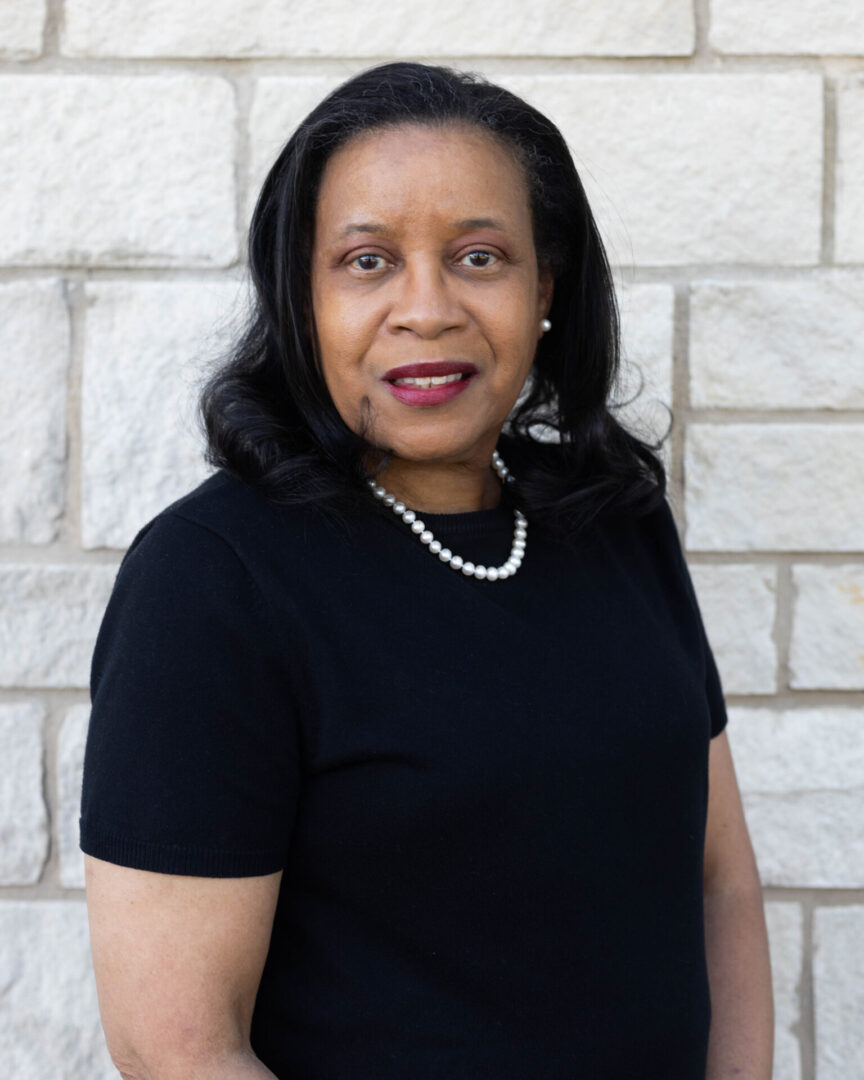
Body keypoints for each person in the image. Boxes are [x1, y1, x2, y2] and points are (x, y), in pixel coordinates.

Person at [80, 61, 774, 1080]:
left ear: (545, 289)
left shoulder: (613, 521)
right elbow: (177, 1046)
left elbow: (719, 882)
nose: (428, 307)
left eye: (479, 257)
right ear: (300, 296)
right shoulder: (214, 582)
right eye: (366, 262)